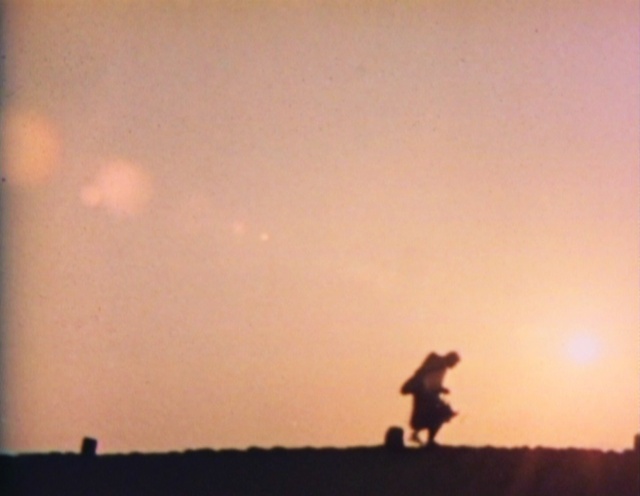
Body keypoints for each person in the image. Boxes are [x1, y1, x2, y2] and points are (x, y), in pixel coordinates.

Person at [401, 351, 460, 446]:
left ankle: (425, 438)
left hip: (430, 395)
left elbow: (433, 383)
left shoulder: (442, 367)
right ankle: (426, 439)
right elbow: (423, 373)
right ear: (450, 359)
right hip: (424, 395)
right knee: (441, 413)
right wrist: (426, 388)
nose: (454, 366)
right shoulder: (437, 361)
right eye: (454, 363)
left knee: (439, 415)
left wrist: (441, 389)